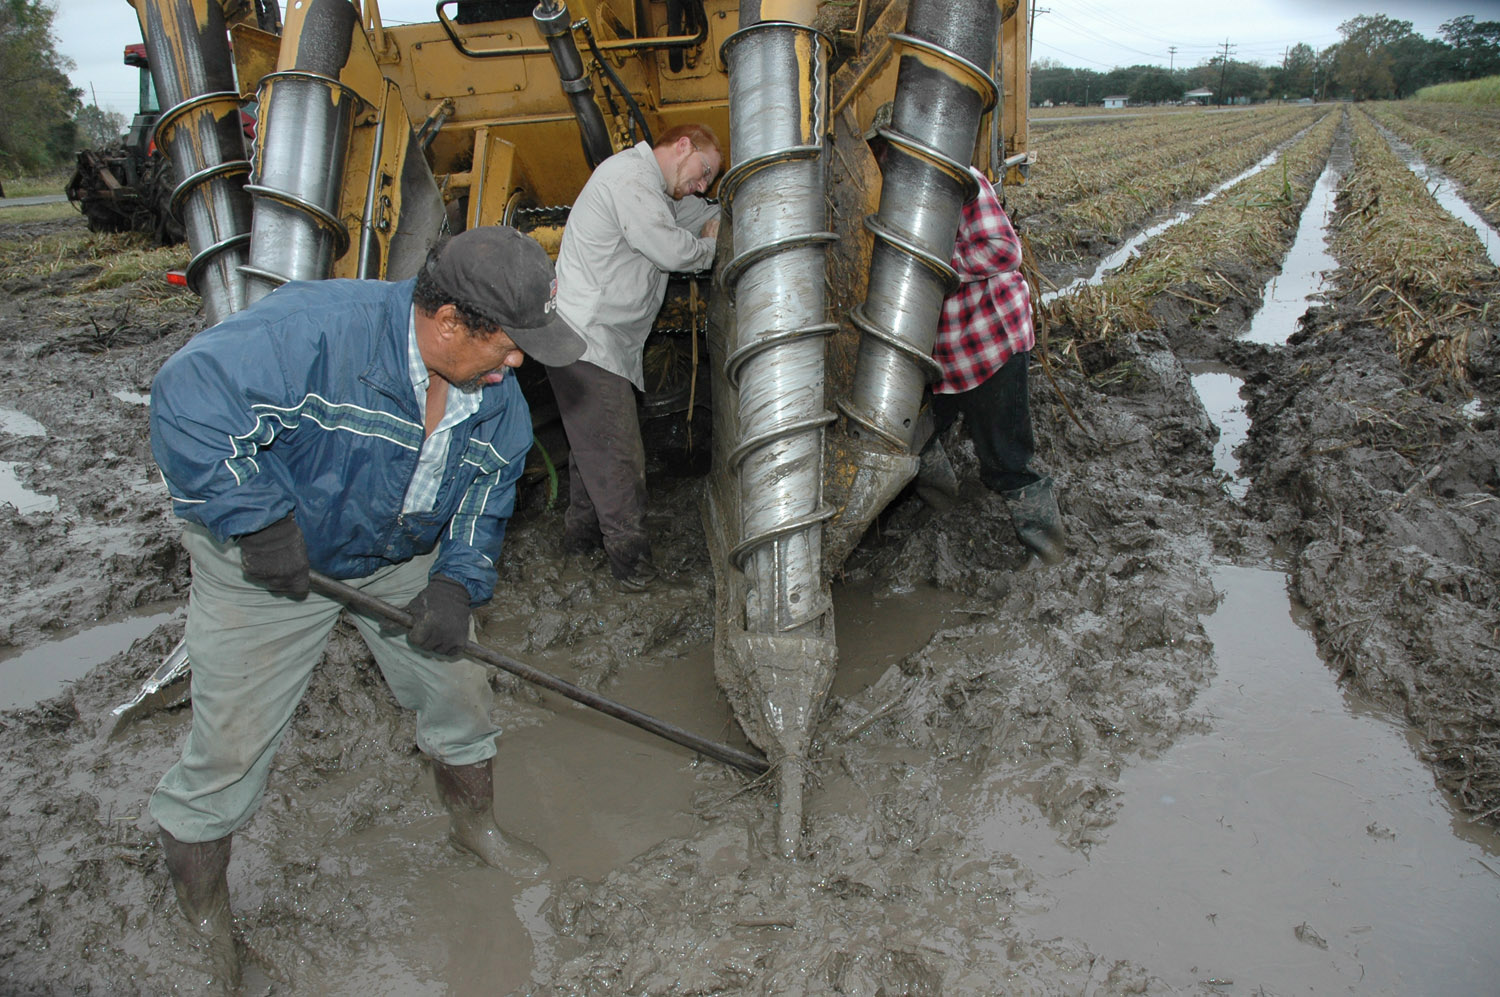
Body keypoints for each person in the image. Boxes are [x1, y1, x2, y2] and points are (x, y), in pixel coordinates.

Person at [147, 226, 585, 988]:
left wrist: (455, 584)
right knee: (229, 749)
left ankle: (474, 827)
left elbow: (483, 509)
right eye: (510, 343)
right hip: (271, 559)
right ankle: (206, 925)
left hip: (394, 555)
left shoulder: (497, 405)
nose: (518, 362)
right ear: (449, 323)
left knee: (460, 692)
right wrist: (255, 517)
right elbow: (184, 399)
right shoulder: (314, 333)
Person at [547, 123, 723, 591]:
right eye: (704, 171)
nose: (702, 185)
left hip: (597, 345)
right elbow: (670, 247)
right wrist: (708, 248)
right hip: (587, 344)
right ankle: (635, 577)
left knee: (594, 457)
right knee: (621, 461)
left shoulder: (658, 194)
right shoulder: (629, 178)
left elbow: (700, 215)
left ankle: (579, 552)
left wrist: (719, 218)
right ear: (682, 146)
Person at [919, 164, 1066, 564]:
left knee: (1005, 459)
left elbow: (1004, 250)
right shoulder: (882, 188)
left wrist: (929, 266)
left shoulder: (958, 179)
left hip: (989, 343)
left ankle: (1049, 555)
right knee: (916, 440)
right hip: (943, 355)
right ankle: (944, 518)